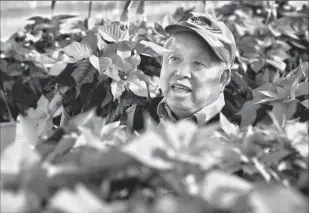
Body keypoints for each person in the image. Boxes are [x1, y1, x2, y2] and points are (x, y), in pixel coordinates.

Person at [127, 11, 237, 131]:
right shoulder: (135, 118)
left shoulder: (240, 135)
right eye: (174, 58)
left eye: (198, 63)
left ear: (222, 78)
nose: (181, 72)